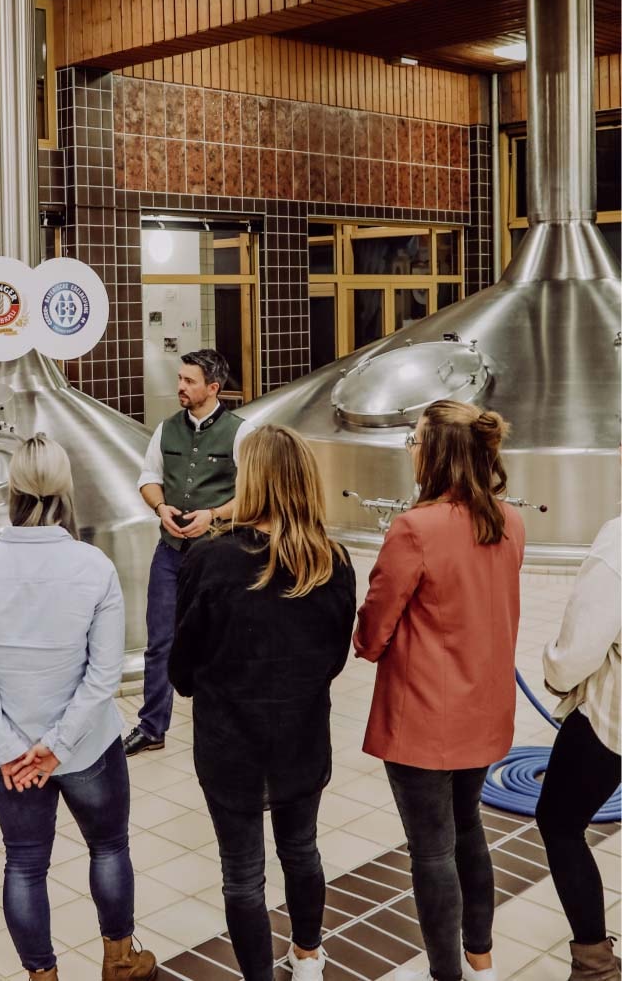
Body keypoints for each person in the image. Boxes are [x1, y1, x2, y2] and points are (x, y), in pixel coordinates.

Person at [0, 434, 156, 981]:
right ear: (66, 490)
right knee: (108, 848)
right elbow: (103, 674)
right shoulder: (94, 567)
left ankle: (43, 977)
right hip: (87, 746)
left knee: (24, 863)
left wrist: (13, 748)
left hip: (10, 757)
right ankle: (119, 961)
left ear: (9, 492)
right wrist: (58, 746)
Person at [169, 425, 356, 981]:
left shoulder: (212, 561)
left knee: (242, 874)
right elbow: (333, 658)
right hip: (302, 737)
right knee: (302, 851)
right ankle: (308, 958)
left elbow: (182, 667)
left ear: (250, 481)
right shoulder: (333, 561)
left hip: (230, 746)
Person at [354, 401, 525, 981]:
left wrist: (369, 641)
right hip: (484, 708)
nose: (411, 451)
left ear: (435, 453)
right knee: (469, 829)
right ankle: (481, 961)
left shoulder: (415, 528)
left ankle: (445, 974)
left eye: (415, 441)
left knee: (432, 850)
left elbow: (375, 628)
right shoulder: (508, 521)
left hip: (424, 717)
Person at [124, 348, 254, 756]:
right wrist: (160, 507)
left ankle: (228, 727)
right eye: (180, 379)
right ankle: (151, 727)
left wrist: (213, 515)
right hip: (171, 551)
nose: (180, 387)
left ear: (213, 388)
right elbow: (148, 477)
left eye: (189, 381)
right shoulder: (166, 429)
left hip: (219, 555)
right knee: (160, 639)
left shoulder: (241, 433)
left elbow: (252, 493)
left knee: (222, 642)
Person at [536, 514, 621, 981]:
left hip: (614, 715)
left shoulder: (618, 544)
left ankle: (595, 966)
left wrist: (556, 674)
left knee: (560, 823)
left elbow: (580, 647)